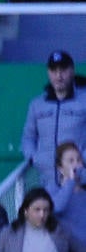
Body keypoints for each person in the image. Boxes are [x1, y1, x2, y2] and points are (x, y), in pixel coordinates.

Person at [21, 50, 86, 185]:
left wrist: (81, 160)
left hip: (80, 181)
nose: (58, 75)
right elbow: (28, 137)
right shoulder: (37, 104)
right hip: (47, 181)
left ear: (72, 71)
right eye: (53, 70)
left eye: (63, 70)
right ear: (48, 72)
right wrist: (34, 158)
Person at [46, 141, 86, 248]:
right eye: (71, 161)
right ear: (60, 168)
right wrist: (70, 182)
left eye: (78, 160)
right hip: (67, 251)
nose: (76, 165)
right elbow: (56, 208)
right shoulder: (53, 189)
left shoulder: (83, 193)